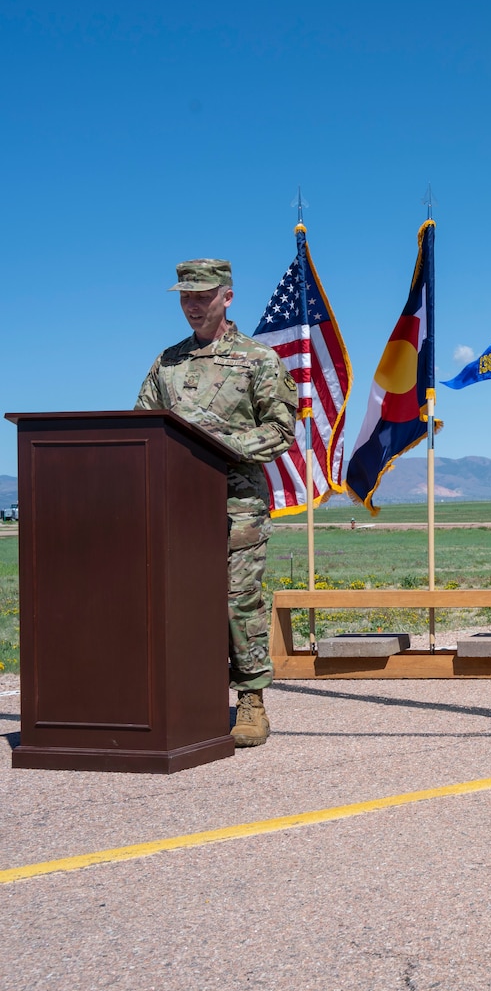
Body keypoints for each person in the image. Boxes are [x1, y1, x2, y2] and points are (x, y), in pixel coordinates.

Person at [135, 259, 297, 748]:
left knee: (237, 600)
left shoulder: (258, 360)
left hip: (236, 502)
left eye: (202, 296)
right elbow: (143, 424)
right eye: (186, 296)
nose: (192, 305)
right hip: (176, 505)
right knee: (178, 598)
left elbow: (281, 431)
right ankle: (189, 694)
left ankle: (251, 699)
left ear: (227, 297)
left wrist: (222, 448)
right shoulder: (168, 362)